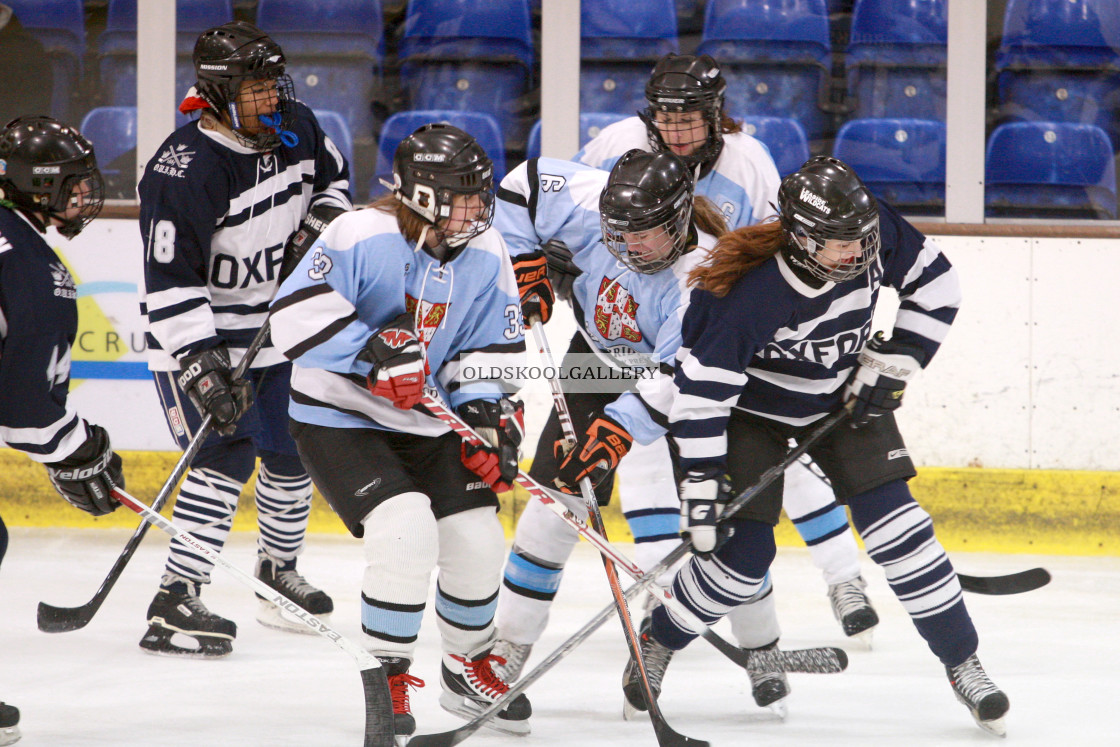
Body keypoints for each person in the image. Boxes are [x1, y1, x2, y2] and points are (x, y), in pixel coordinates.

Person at [623, 156, 1010, 736]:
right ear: (801, 239)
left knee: (902, 534)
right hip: (748, 418)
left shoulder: (867, 226)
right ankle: (660, 637)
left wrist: (894, 360)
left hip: (838, 398)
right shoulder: (740, 295)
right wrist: (701, 485)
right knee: (739, 566)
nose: (855, 257)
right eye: (838, 247)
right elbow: (701, 398)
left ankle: (963, 663)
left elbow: (938, 286)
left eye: (862, 243)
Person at [576, 52, 879, 643]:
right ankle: (661, 596)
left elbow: (781, 249)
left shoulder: (750, 163)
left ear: (716, 114)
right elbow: (582, 220)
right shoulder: (615, 143)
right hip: (622, 338)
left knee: (776, 459)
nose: (678, 130)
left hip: (719, 336)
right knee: (639, 461)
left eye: (690, 117)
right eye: (666, 118)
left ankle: (844, 575)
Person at [489, 150, 792, 713]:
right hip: (595, 363)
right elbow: (519, 184)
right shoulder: (586, 198)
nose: (632, 247)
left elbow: (677, 377)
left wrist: (617, 432)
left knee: (723, 519)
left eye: (648, 235)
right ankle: (507, 647)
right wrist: (523, 259)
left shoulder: (707, 275)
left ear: (679, 220)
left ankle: (763, 647)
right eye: (621, 234)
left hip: (691, 384)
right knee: (557, 501)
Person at [268, 123, 531, 742]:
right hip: (338, 415)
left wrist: (488, 416)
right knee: (405, 528)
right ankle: (388, 672)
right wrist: (370, 351)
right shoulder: (359, 232)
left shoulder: (488, 251)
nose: (476, 208)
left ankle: (466, 664)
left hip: (424, 420)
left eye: (478, 194)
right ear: (421, 195)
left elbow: (488, 351)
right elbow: (292, 318)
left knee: (477, 539)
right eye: (461, 196)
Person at [137, 21, 350, 657]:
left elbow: (336, 182)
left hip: (278, 331)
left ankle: (275, 576)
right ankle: (178, 595)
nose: (271, 99)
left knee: (294, 451)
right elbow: (169, 281)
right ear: (219, 91)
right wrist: (200, 361)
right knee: (223, 457)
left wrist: (321, 218)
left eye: (272, 85)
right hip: (199, 338)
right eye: (255, 89)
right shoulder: (186, 169)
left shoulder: (300, 126)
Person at [0, 114, 123, 747]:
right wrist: (83, 450)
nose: (84, 196)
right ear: (38, 186)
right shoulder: (33, 269)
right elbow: (22, 408)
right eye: (73, 184)